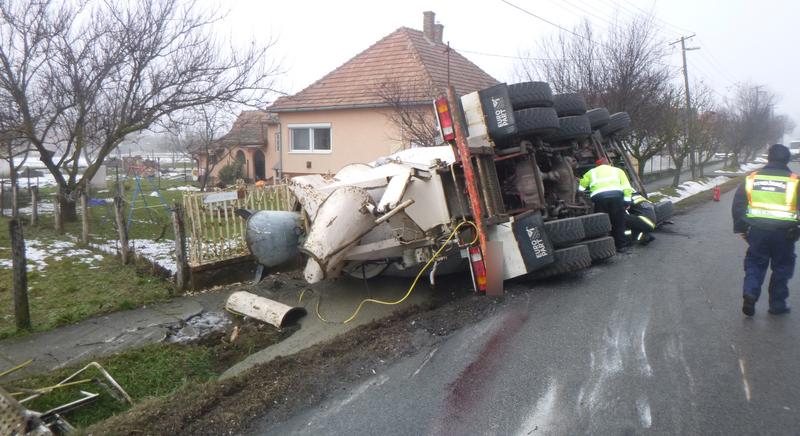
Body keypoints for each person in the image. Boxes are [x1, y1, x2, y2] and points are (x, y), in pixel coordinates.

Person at [732, 144, 800, 316]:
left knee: (755, 262)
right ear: (787, 159)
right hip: (785, 234)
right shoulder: (795, 181)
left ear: (768, 158)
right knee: (782, 267)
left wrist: (741, 228)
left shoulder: (752, 178)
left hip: (757, 231)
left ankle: (751, 293)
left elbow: (739, 204)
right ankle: (777, 305)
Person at [579, 157, 634, 252]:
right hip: (616, 197)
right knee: (618, 222)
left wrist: (580, 186)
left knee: (602, 222)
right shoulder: (618, 170)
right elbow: (626, 187)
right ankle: (621, 246)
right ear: (608, 164)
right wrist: (627, 201)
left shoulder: (591, 172)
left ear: (598, 165)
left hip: (599, 199)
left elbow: (581, 188)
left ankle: (604, 246)